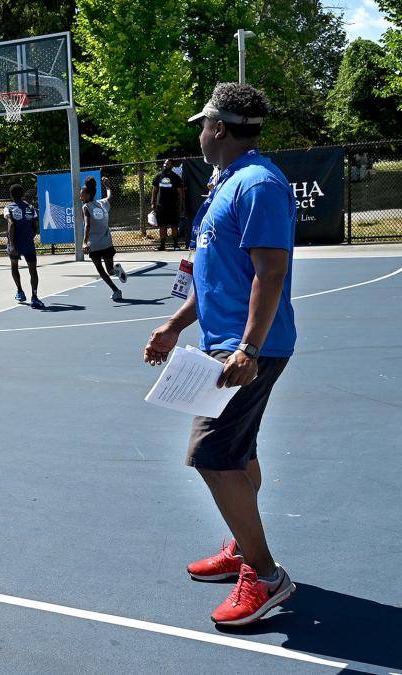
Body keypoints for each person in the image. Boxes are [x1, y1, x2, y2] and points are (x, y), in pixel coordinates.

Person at [144, 82, 297, 627]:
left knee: (212, 455)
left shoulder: (258, 185)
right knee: (240, 451)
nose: (200, 133)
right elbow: (213, 279)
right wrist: (172, 325)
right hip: (227, 346)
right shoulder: (225, 184)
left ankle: (265, 573)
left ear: (221, 129)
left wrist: (248, 347)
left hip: (248, 350)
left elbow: (270, 272)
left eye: (204, 124)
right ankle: (242, 545)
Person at [81, 176, 127, 302]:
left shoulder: (86, 207)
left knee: (101, 271)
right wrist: (107, 186)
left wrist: (84, 242)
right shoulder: (102, 203)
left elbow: (87, 224)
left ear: (89, 194)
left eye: (82, 195)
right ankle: (116, 270)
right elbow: (110, 197)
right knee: (110, 270)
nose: (81, 197)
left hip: (94, 245)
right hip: (107, 243)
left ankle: (116, 290)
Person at [5, 183, 44, 309]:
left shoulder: (8, 208)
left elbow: (11, 225)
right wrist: (29, 238)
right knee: (33, 269)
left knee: (14, 266)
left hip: (15, 242)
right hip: (28, 243)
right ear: (22, 195)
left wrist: (12, 244)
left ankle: (20, 291)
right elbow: (35, 227)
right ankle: (35, 297)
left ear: (11, 195)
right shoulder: (30, 207)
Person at [151, 159, 186, 251]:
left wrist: (181, 205)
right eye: (165, 163)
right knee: (162, 226)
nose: (165, 165)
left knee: (174, 226)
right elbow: (154, 191)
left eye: (168, 164)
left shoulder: (176, 177)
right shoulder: (158, 176)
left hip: (173, 206)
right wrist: (153, 203)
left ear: (172, 166)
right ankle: (162, 245)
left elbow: (181, 193)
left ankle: (176, 245)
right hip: (161, 206)